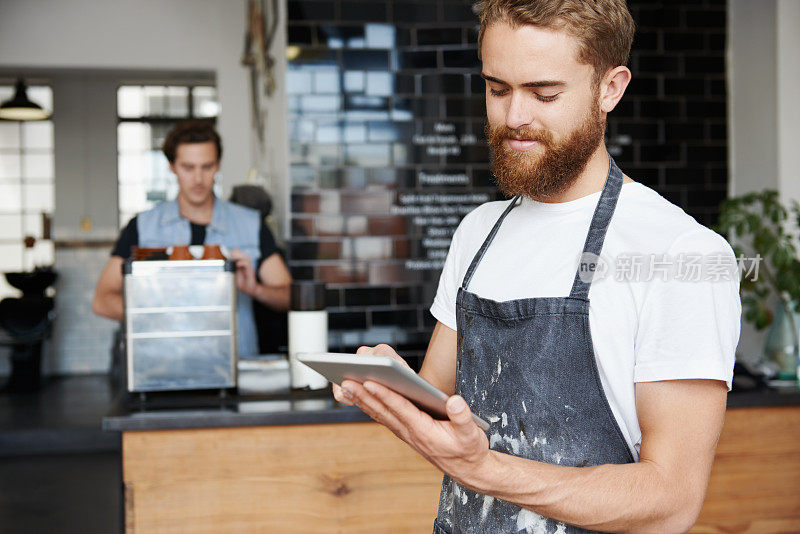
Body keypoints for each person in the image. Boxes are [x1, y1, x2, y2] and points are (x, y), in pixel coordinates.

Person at [333, 1, 741, 532]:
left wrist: (486, 471)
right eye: (497, 89)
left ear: (610, 89)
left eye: (544, 93)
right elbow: (446, 405)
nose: (514, 117)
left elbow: (671, 498)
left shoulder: (679, 253)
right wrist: (394, 389)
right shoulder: (479, 232)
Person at [92, 120, 291, 357]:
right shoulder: (143, 227)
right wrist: (162, 312)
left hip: (236, 366)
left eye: (207, 167)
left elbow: (289, 296)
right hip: (161, 368)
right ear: (172, 167)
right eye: (188, 167)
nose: (198, 179)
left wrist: (255, 289)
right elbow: (102, 300)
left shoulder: (250, 224)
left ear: (218, 165)